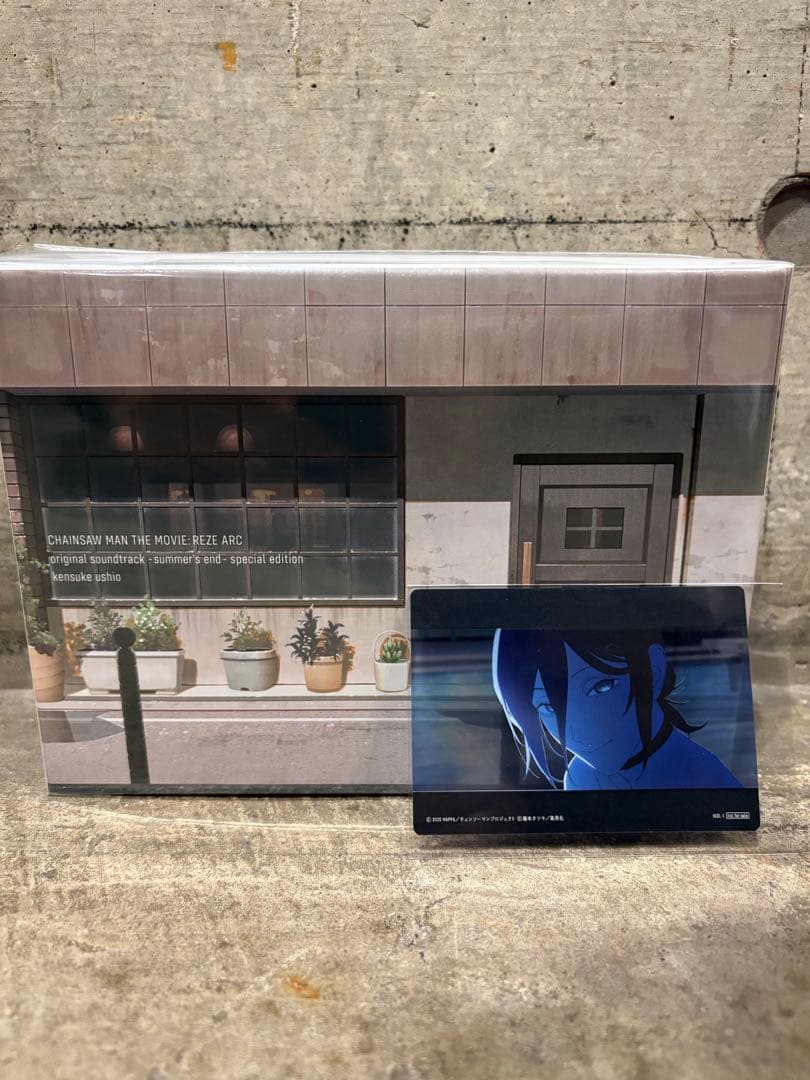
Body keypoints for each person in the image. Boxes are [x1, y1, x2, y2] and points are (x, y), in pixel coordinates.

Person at [491, 628, 742, 791]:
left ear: (653, 671)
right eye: (548, 707)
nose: (578, 733)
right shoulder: (580, 776)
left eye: (601, 687)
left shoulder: (704, 780)